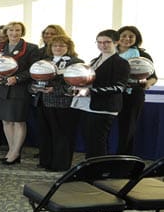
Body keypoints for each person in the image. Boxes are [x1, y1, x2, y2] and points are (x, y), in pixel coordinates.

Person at [71, 29, 130, 158]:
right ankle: (91, 166)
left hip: (105, 107)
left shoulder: (121, 63)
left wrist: (90, 91)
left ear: (116, 42)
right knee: (89, 140)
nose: (103, 45)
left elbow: (119, 88)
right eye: (99, 42)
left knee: (97, 141)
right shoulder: (94, 60)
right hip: (88, 105)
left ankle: (99, 168)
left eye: (107, 42)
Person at [0, 21, 39, 165]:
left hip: (19, 89)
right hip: (1, 89)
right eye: (11, 30)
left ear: (22, 32)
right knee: (6, 120)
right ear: (6, 32)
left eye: (17, 30)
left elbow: (33, 70)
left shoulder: (31, 48)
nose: (14, 33)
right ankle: (11, 150)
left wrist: (17, 78)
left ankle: (16, 152)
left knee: (18, 121)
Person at [34, 35, 83, 171]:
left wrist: (55, 90)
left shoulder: (75, 62)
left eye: (62, 46)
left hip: (63, 103)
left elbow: (77, 84)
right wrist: (34, 87)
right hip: (43, 101)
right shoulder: (45, 61)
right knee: (45, 133)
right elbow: (34, 78)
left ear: (68, 47)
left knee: (62, 135)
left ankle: (60, 164)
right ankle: (46, 161)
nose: (58, 48)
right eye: (55, 45)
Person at [116, 26, 157, 155]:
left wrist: (146, 84)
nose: (127, 39)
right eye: (123, 35)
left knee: (128, 127)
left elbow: (153, 77)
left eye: (131, 36)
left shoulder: (142, 55)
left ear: (136, 38)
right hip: (112, 94)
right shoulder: (110, 53)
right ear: (117, 38)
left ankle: (123, 158)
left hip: (133, 95)